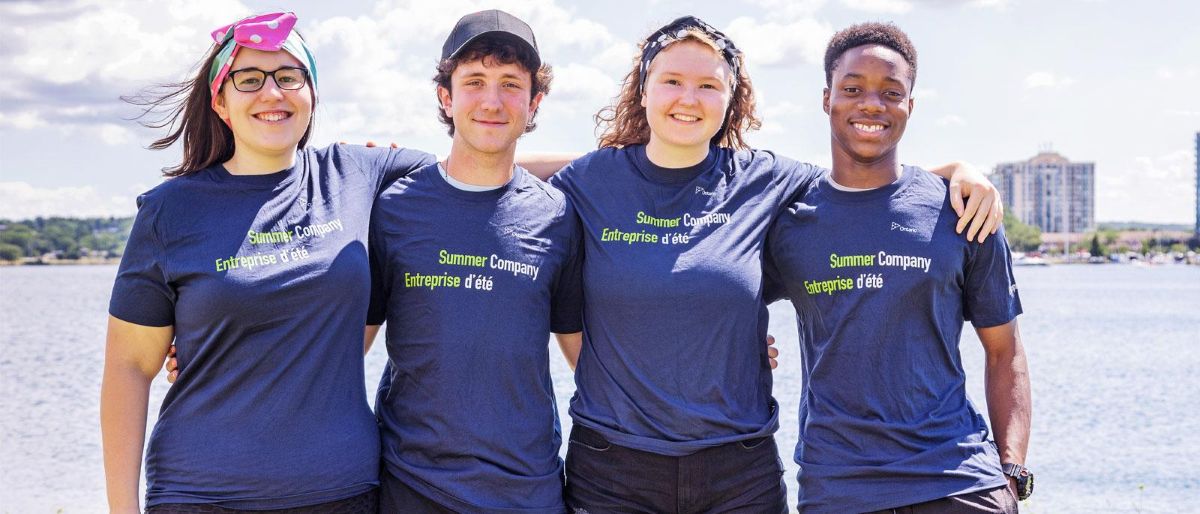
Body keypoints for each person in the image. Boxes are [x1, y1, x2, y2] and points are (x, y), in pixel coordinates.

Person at [548, 16, 1004, 513]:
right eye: (672, 81)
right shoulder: (589, 180)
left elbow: (864, 173)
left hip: (738, 470)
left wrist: (959, 170)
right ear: (643, 89)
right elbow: (505, 170)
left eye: (708, 85)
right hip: (612, 466)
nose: (689, 98)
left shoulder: (767, 180)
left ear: (731, 98)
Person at [100, 12, 438, 513]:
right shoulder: (171, 210)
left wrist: (587, 177)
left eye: (288, 77)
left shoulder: (359, 175)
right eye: (249, 80)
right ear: (220, 101)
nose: (272, 93)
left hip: (342, 493)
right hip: (201, 495)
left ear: (312, 93)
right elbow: (129, 368)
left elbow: (483, 172)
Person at [765, 22, 1032, 513]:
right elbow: (714, 295)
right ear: (827, 99)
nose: (872, 104)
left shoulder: (964, 211)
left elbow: (1004, 351)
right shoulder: (790, 222)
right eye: (853, 89)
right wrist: (743, 345)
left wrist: (1011, 472)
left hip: (960, 481)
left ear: (911, 105)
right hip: (839, 487)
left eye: (892, 92)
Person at [364, 10, 582, 513]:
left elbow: (589, 360)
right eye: (475, 81)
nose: (491, 100)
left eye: (511, 84)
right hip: (410, 486)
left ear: (534, 102)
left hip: (528, 491)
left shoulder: (558, 216)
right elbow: (339, 347)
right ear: (446, 96)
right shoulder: (393, 209)